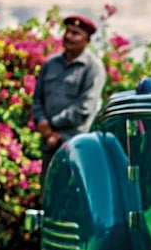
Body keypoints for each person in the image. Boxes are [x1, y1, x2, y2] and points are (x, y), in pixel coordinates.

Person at [31, 14, 107, 185]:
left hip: (75, 143)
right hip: (49, 142)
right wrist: (44, 125)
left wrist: (53, 126)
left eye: (76, 33)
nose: (69, 36)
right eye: (68, 31)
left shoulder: (93, 68)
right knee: (48, 193)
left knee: (73, 194)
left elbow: (85, 107)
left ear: (87, 40)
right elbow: (37, 99)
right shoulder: (51, 64)